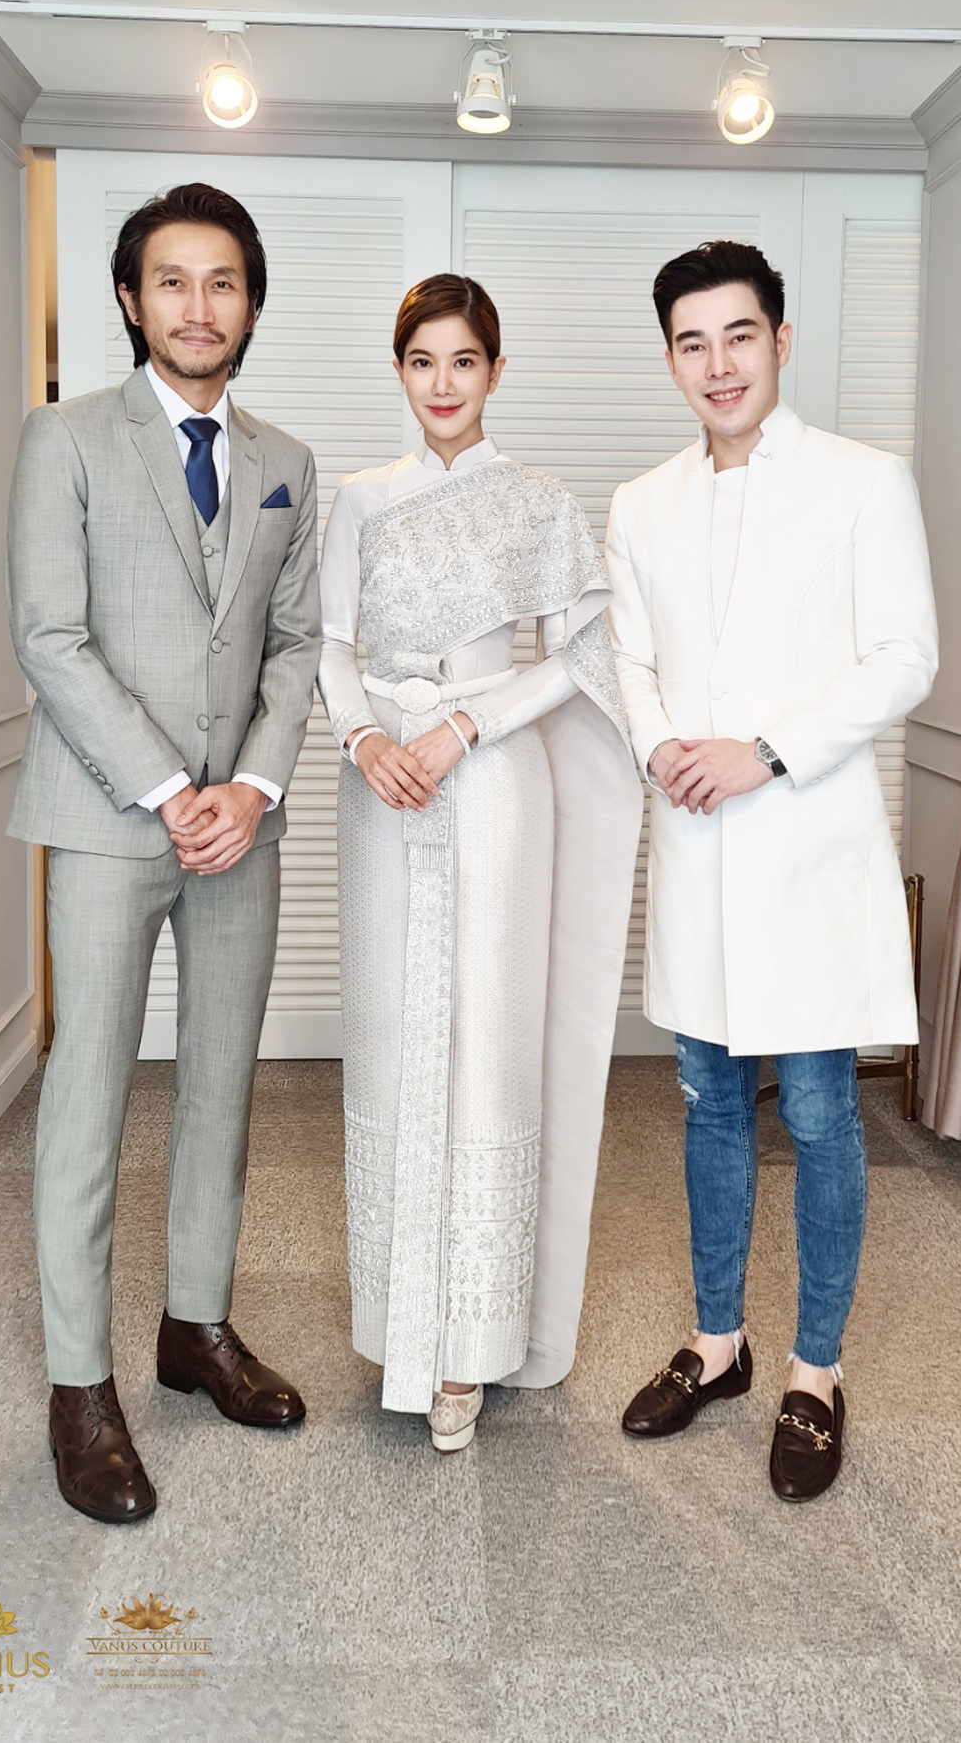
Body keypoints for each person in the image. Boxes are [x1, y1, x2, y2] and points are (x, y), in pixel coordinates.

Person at [6, 182, 321, 1523]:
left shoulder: (286, 461)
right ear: (133, 301)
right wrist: (165, 787)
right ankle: (79, 1385)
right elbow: (50, 634)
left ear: (251, 304)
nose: (201, 305)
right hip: (106, 816)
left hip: (240, 826)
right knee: (87, 1095)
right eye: (174, 281)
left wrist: (249, 785)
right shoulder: (67, 437)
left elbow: (296, 644)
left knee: (222, 1086)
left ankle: (195, 1327)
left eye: (224, 281)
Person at [606, 240, 937, 1502]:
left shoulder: (862, 480)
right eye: (692, 343)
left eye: (738, 335)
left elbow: (905, 655)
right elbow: (629, 658)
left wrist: (767, 752)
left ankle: (814, 1368)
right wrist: (660, 746)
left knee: (817, 1110)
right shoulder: (642, 502)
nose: (718, 363)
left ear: (780, 341)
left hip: (806, 844)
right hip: (697, 841)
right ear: (671, 361)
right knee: (705, 1099)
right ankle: (717, 1343)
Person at [318, 273, 641, 1449]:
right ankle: (402, 1319)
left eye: (463, 360)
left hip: (496, 779)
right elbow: (333, 646)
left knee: (489, 1041)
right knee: (394, 1039)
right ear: (399, 371)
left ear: (496, 370)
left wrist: (465, 724)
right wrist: (364, 740)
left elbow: (584, 653)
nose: (442, 383)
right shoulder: (360, 498)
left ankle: (473, 1344)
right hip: (382, 789)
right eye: (422, 361)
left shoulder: (538, 500)